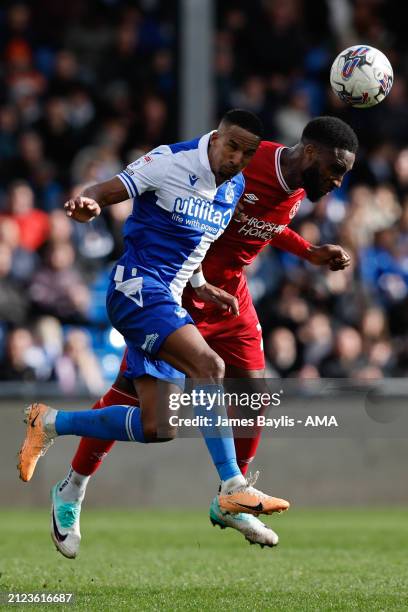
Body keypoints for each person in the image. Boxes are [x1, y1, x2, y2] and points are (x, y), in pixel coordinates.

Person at [39, 115, 357, 557]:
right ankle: (72, 486)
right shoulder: (248, 161)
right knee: (134, 403)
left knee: (252, 394)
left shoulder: (301, 186)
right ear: (309, 153)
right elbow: (189, 206)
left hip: (230, 294)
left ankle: (232, 496)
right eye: (335, 169)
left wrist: (310, 252)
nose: (338, 181)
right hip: (179, 290)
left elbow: (265, 226)